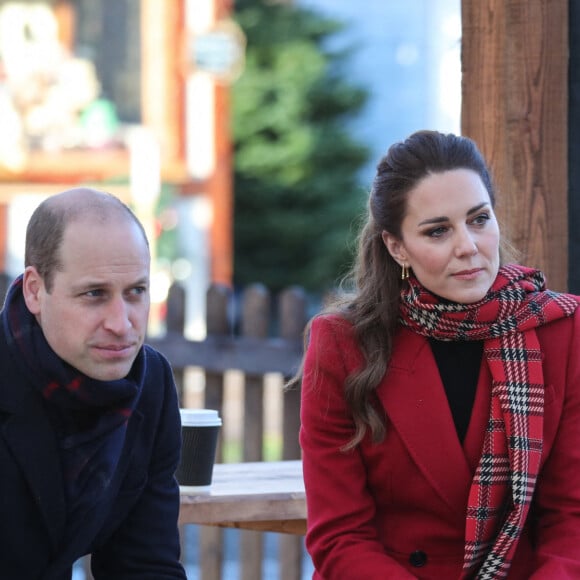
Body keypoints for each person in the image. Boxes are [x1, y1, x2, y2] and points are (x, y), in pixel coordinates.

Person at [295, 130, 580, 578]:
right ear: (397, 247)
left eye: (479, 219)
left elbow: (571, 516)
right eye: (438, 230)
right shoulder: (344, 342)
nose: (467, 245)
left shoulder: (561, 329)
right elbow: (340, 536)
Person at [0, 187, 187, 578]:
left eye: (136, 292)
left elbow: (143, 564)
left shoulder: (149, 384)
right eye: (94, 294)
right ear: (35, 290)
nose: (121, 324)